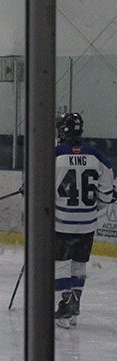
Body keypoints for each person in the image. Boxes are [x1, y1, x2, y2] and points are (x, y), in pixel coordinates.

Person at [53, 112, 114, 328]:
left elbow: (41, 190)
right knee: (79, 264)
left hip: (62, 221)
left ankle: (63, 305)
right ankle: (74, 306)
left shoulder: (54, 155)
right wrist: (91, 209)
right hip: (87, 224)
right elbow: (107, 195)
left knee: (60, 264)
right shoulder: (97, 156)